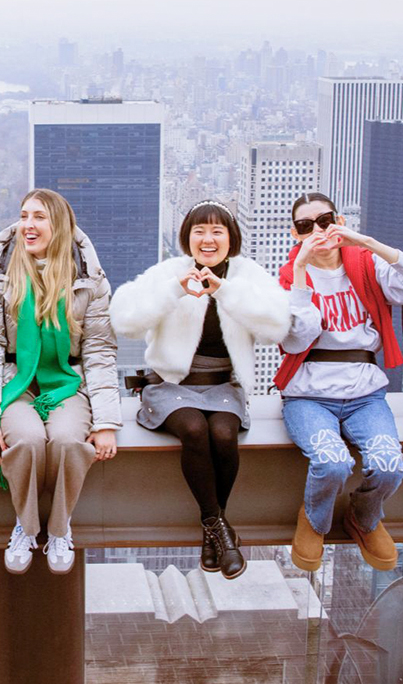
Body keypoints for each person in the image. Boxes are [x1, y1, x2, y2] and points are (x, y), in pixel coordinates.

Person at [113, 200, 289, 578]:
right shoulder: (170, 272)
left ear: (231, 238)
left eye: (217, 231)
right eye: (199, 231)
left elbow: (277, 324)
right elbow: (124, 319)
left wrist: (224, 291)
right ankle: (220, 531)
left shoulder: (246, 274)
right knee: (194, 429)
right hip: (171, 383)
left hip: (222, 383)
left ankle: (213, 533)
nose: (208, 239)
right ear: (187, 238)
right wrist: (173, 292)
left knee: (224, 434)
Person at [0, 189, 120, 576]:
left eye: (39, 217)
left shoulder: (89, 278)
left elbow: (100, 352)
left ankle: (59, 527)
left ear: (60, 226)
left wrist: (105, 423)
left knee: (69, 441)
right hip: (14, 379)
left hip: (67, 381)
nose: (28, 225)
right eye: (24, 216)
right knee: (29, 440)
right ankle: (27, 526)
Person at [276, 192, 403, 573]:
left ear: (339, 221)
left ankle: (365, 518)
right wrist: (301, 272)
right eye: (305, 226)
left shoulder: (366, 265)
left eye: (325, 221)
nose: (317, 231)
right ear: (294, 234)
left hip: (365, 394)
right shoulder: (286, 278)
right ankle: (315, 521)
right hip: (308, 395)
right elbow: (296, 338)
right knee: (331, 463)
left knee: (390, 464)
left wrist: (365, 242)